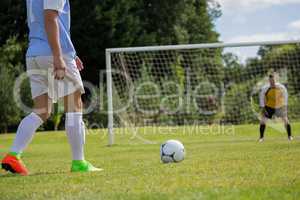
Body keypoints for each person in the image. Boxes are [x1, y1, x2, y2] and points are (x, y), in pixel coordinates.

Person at [1, 0, 102, 175]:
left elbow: (46, 22)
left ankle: (13, 155)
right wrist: (59, 56)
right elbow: (50, 19)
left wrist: (72, 53)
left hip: (34, 54)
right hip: (53, 53)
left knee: (42, 110)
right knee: (74, 105)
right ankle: (79, 162)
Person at [258, 73, 293, 142]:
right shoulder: (265, 88)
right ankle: (261, 138)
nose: (272, 82)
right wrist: (262, 107)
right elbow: (261, 97)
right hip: (269, 106)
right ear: (269, 81)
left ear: (276, 80)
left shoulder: (281, 87)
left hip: (280, 106)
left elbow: (286, 96)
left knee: (286, 120)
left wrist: (285, 106)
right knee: (262, 121)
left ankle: (290, 136)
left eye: (273, 81)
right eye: (270, 81)